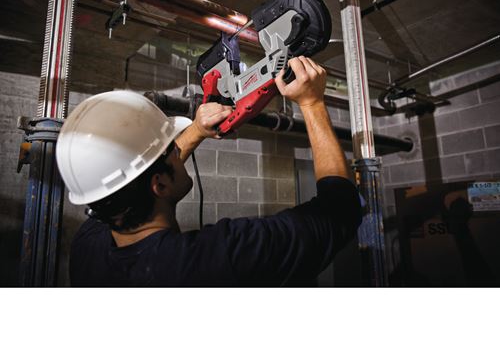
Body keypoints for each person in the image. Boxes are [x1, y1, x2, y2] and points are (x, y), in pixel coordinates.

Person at [57, 56, 362, 286]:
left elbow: (136, 175)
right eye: (172, 150)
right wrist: (312, 103)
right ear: (159, 185)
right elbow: (341, 210)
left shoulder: (88, 248)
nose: (178, 151)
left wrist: (197, 130)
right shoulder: (224, 258)